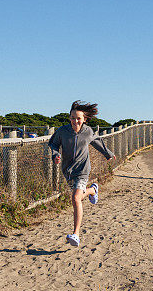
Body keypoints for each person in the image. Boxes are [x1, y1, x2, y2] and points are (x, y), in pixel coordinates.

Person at [48, 101, 115, 247]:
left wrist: (107, 153)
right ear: (69, 118)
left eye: (78, 118)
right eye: (73, 118)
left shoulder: (88, 131)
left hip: (83, 170)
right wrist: (55, 155)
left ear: (84, 119)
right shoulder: (62, 131)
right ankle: (93, 190)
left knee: (76, 198)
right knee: (78, 196)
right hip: (68, 170)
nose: (75, 121)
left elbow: (97, 141)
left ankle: (76, 234)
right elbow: (53, 143)